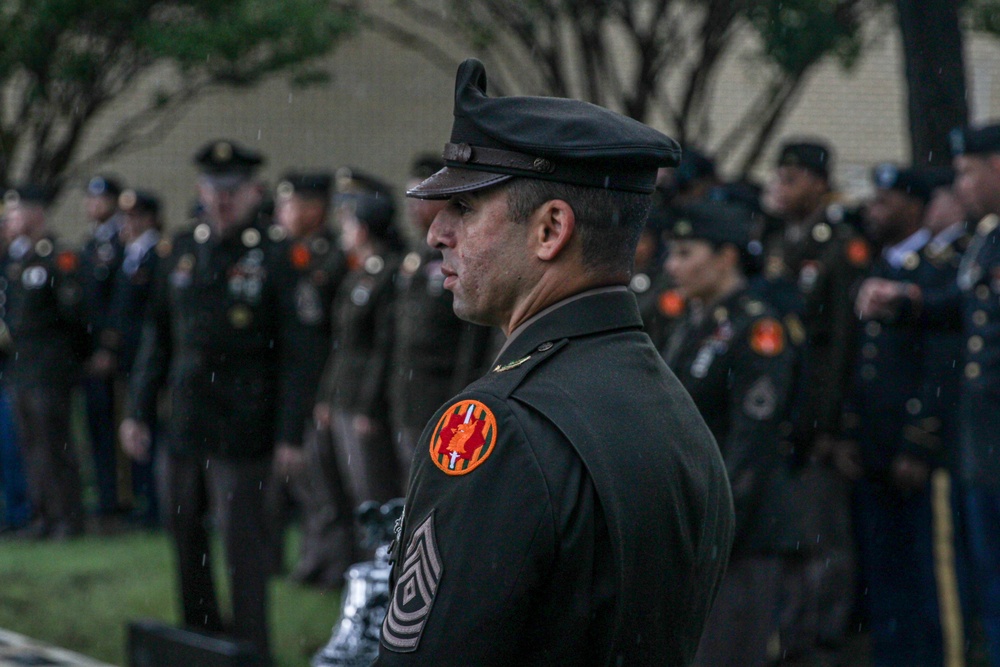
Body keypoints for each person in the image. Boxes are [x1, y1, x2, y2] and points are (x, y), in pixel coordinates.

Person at [373, 58, 734, 666]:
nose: (437, 232)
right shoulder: (673, 410)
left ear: (550, 230)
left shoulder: (498, 426)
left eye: (464, 207)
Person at [120, 139, 327, 660]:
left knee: (244, 552)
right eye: (214, 188)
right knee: (186, 539)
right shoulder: (183, 248)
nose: (223, 199)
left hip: (246, 428)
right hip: (187, 423)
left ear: (254, 191)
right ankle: (201, 645)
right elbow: (157, 338)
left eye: (233, 189)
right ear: (200, 191)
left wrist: (289, 434)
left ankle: (251, 651)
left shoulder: (278, 255)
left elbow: (300, 357)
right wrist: (139, 411)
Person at [662, 201, 797, 666]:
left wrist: (720, 527)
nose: (672, 265)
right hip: (695, 521)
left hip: (739, 533)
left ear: (726, 256)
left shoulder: (756, 327)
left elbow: (751, 443)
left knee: (728, 650)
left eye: (685, 252)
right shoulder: (695, 321)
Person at [760, 139, 870, 663]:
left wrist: (831, 425)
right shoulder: (780, 238)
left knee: (823, 534)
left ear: (820, 183)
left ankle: (822, 638)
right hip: (787, 407)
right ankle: (792, 631)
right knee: (793, 531)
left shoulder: (839, 245)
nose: (781, 186)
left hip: (818, 414)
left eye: (793, 177)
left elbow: (841, 343)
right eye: (780, 175)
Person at [840, 164, 954, 665]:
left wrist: (918, 442)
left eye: (885, 201)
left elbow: (937, 367)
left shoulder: (933, 274)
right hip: (871, 447)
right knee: (882, 574)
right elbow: (858, 362)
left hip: (909, 452)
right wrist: (847, 432)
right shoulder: (879, 267)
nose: (873, 209)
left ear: (914, 207)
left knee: (919, 573)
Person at [266, 171, 352, 586]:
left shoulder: (330, 256)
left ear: (314, 210)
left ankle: (331, 563)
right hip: (297, 381)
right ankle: (313, 558)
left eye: (291, 205)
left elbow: (326, 333)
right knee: (300, 480)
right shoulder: (290, 253)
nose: (283, 213)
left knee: (322, 481)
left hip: (321, 380)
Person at [388, 154, 494, 477]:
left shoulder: (459, 258)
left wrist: (461, 398)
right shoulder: (414, 255)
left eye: (425, 199)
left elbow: (472, 338)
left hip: (443, 393)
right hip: (409, 393)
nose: (414, 209)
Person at [314, 170, 404, 511]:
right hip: (344, 395)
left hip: (362, 401)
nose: (344, 232)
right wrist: (328, 394)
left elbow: (383, 349)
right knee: (353, 492)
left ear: (364, 229)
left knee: (373, 491)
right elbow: (342, 345)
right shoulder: (358, 274)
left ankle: (380, 563)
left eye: (350, 224)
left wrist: (368, 406)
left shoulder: (386, 275)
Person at [3, 185, 90, 540]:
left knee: (55, 446)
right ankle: (44, 516)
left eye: (15, 212)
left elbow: (75, 317)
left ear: (35, 214)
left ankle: (68, 517)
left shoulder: (58, 257)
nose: (9, 220)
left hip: (49, 368)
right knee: (32, 447)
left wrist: (73, 359)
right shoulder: (18, 261)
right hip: (21, 368)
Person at [96, 189, 164, 527]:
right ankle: (144, 498)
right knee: (135, 430)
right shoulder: (130, 255)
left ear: (149, 218)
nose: (127, 224)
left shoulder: (156, 256)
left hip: (146, 358)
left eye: (134, 217)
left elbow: (151, 313)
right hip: (131, 359)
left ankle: (156, 503)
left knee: (151, 429)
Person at [78, 174, 127, 522]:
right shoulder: (92, 244)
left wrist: (107, 347)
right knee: (98, 429)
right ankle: (107, 495)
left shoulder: (120, 244)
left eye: (100, 198)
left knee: (114, 428)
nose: (93, 205)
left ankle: (120, 497)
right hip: (89, 351)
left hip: (110, 354)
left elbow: (117, 304)